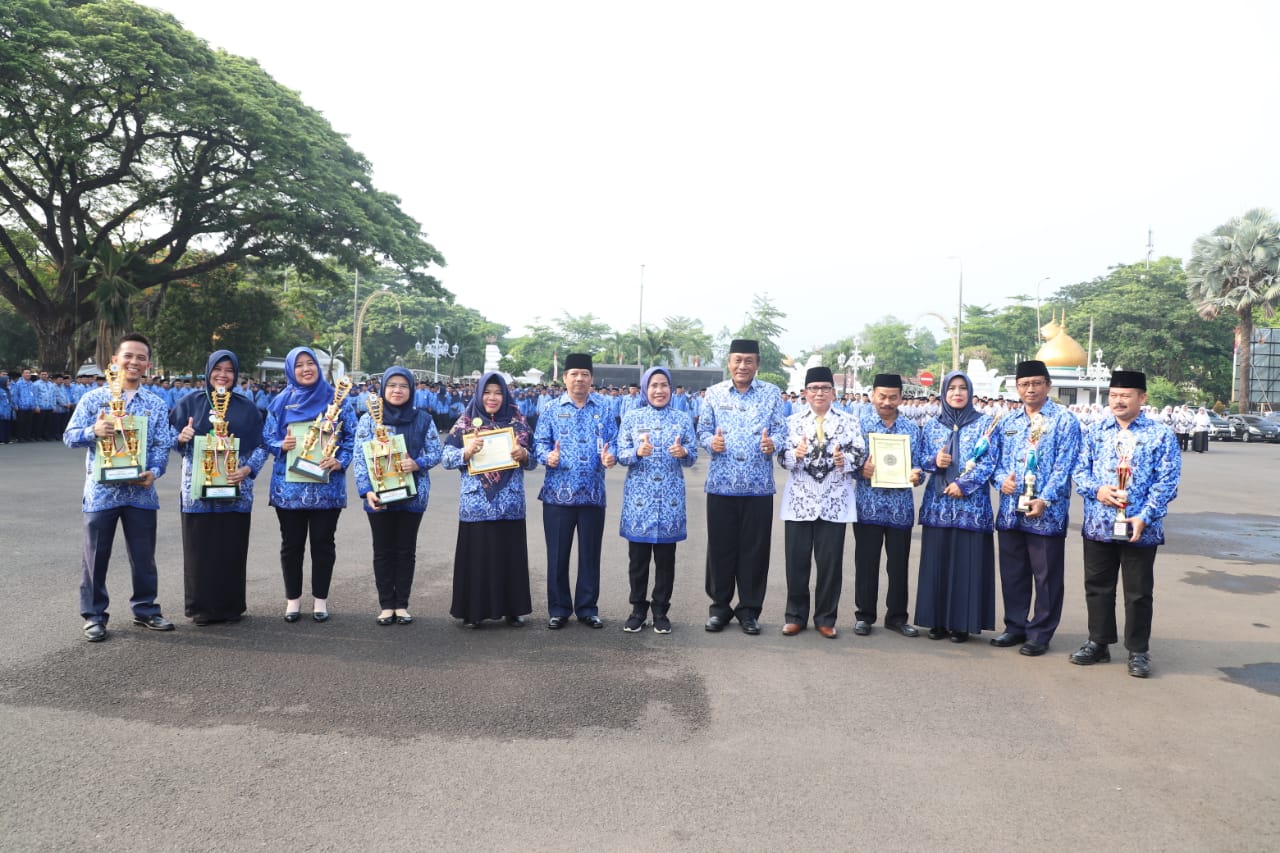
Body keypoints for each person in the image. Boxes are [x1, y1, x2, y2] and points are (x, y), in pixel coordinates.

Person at [62, 333, 176, 642]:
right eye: (128, 356)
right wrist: (93, 430)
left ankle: (146, 610)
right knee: (95, 556)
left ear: (148, 365)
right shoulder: (94, 399)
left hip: (141, 493)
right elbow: (70, 436)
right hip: (101, 493)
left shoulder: (155, 402)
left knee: (143, 556)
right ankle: (94, 615)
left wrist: (154, 471)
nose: (134, 362)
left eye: (141, 358)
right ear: (115, 360)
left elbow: (162, 445)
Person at [1070, 370, 1181, 678]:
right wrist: (1098, 490)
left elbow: (1168, 481)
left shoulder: (1160, 434)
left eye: (1126, 395)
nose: (1118, 401)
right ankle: (1098, 643)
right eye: (1114, 395)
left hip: (1139, 529)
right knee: (1097, 587)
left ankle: (1138, 651)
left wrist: (1145, 516)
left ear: (1142, 398)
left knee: (1138, 592)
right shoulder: (1095, 431)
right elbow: (1079, 471)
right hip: (1099, 524)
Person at [988, 360, 1082, 656]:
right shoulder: (1008, 421)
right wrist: (1002, 480)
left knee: (1046, 575)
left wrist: (1046, 498)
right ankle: (1015, 626)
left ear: (1048, 385)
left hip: (1046, 512)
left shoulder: (1065, 420)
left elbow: (1065, 465)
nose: (1030, 389)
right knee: (1013, 572)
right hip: (1010, 511)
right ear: (1017, 388)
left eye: (1037, 383)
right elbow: (995, 460)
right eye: (1024, 384)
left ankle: (1040, 632)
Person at [169, 350, 268, 625]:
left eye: (229, 370)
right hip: (197, 489)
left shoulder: (247, 407)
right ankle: (200, 608)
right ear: (208, 370)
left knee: (231, 547)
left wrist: (248, 470)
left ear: (235, 375)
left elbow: (262, 445)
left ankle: (231, 606)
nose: (222, 375)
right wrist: (180, 436)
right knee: (199, 549)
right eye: (218, 369)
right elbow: (165, 437)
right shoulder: (190, 403)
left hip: (235, 488)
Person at [696, 339, 787, 635]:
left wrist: (773, 443)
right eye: (737, 360)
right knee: (721, 550)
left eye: (748, 360)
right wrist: (712, 442)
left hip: (758, 487)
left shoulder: (772, 394)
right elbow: (703, 429)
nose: (742, 366)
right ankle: (719, 608)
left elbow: (781, 431)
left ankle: (749, 610)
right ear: (729, 362)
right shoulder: (714, 393)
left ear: (757, 364)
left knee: (755, 551)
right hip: (721, 486)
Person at [263, 346, 356, 623]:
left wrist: (340, 460)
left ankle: (320, 600)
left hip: (326, 487)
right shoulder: (280, 402)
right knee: (291, 545)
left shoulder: (337, 401)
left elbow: (351, 436)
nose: (306, 369)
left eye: (310, 363)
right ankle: (293, 600)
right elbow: (267, 436)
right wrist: (282, 444)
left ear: (317, 366)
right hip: (289, 489)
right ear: (291, 369)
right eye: (300, 365)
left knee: (322, 543)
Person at [443, 371, 537, 627]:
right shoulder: (465, 423)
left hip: (510, 503)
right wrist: (466, 451)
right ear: (478, 394)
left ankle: (513, 608)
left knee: (510, 556)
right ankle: (473, 611)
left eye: (498, 392)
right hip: (477, 504)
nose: (492, 397)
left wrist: (524, 455)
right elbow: (446, 459)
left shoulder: (518, 422)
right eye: (487, 392)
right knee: (477, 557)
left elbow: (534, 460)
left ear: (505, 395)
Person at [914, 371, 1002, 643]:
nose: (957, 393)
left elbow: (990, 462)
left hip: (971, 506)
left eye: (962, 388)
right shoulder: (932, 425)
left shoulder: (985, 424)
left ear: (970, 392)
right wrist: (934, 461)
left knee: (967, 564)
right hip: (938, 504)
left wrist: (964, 485)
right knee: (937, 563)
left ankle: (962, 624)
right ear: (943, 392)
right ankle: (936, 622)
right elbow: (920, 459)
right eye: (951, 388)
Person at [777, 366, 864, 638]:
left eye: (825, 388)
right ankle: (795, 616)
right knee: (796, 562)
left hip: (834, 500)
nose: (819, 393)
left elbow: (860, 454)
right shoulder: (791, 422)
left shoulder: (849, 421)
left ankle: (826, 617)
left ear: (833, 392)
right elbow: (782, 457)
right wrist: (796, 455)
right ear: (805, 393)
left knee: (830, 563)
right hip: (800, 501)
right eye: (813, 388)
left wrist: (844, 461)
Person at [353, 366, 441, 625]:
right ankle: (385, 605)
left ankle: (401, 604)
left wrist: (418, 463)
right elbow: (360, 458)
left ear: (411, 389)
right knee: (382, 550)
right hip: (378, 495)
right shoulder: (370, 419)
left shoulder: (423, 419)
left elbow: (436, 451)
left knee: (405, 550)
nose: (397, 390)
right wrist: (365, 490)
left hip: (413, 495)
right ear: (383, 389)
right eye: (392, 385)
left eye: (403, 385)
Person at [534, 353, 617, 629]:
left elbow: (614, 442)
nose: (579, 379)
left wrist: (611, 457)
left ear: (591, 378)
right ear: (564, 378)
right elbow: (538, 444)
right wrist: (548, 457)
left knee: (590, 555)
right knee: (557, 555)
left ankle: (587, 607)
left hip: (593, 494)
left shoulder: (604, 408)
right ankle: (558, 608)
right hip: (558, 494)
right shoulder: (551, 408)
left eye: (584, 374)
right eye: (574, 374)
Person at [616, 366, 697, 634]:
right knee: (638, 560)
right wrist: (637, 452)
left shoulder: (683, 419)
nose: (659, 390)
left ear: (671, 389)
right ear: (644, 389)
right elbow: (621, 453)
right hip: (639, 500)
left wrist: (682, 451)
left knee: (665, 560)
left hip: (670, 500)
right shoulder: (631, 417)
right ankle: (638, 609)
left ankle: (661, 610)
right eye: (653, 385)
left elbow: (693, 456)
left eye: (664, 385)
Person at [851, 373, 926, 637]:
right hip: (867, 506)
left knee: (898, 566)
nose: (886, 401)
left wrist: (917, 475)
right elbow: (849, 464)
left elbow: (919, 466)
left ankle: (896, 617)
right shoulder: (859, 426)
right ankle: (864, 616)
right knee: (866, 563)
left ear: (901, 398)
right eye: (881, 396)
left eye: (892, 397)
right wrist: (861, 469)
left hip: (900, 508)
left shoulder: (911, 429)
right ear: (872, 395)